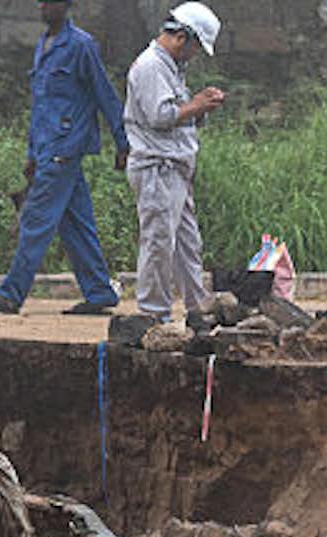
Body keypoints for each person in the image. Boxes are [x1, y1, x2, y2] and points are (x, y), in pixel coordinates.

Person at [0, 0, 130, 317]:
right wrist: (32, 154)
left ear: (65, 6)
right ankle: (100, 291)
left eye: (51, 2)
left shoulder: (81, 46)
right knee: (76, 223)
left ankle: (10, 294)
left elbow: (105, 94)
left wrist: (123, 142)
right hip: (47, 149)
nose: (42, 6)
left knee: (35, 219)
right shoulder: (43, 45)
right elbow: (41, 106)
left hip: (65, 148)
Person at [124, 2, 225, 326]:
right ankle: (154, 315)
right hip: (157, 167)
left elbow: (177, 113)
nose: (194, 55)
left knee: (186, 245)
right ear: (182, 37)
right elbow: (161, 116)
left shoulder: (170, 67)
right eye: (196, 47)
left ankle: (198, 309)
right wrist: (196, 104)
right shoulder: (152, 66)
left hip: (174, 168)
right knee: (158, 243)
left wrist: (199, 106)